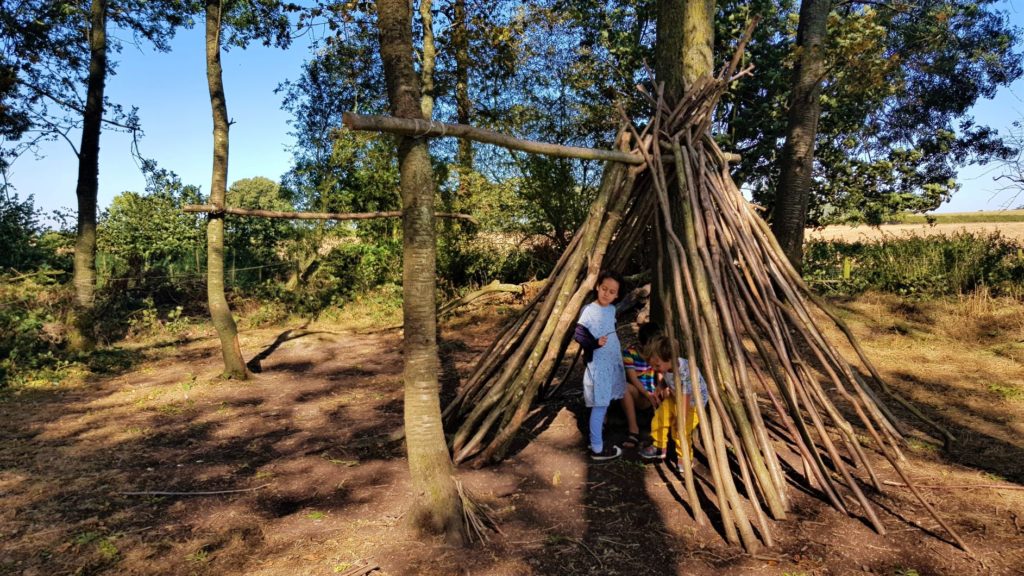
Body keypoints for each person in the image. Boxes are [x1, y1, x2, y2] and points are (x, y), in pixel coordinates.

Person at [574, 270, 627, 461]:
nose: (606, 294)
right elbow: (579, 333)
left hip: (611, 363)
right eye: (604, 289)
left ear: (617, 295)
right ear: (597, 287)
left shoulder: (611, 309)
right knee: (600, 405)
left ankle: (597, 435)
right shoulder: (589, 310)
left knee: (603, 403)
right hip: (599, 365)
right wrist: (594, 344)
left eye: (612, 292)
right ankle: (597, 448)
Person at [639, 334, 709, 463]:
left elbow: (686, 396)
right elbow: (666, 378)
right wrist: (660, 386)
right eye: (652, 366)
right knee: (660, 417)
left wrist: (681, 417)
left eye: (657, 366)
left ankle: (684, 457)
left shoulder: (685, 372)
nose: (654, 369)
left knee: (680, 430)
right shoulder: (666, 366)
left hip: (692, 404)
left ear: (670, 359)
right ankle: (659, 446)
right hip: (675, 397)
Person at [620, 322, 662, 448]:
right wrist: (647, 394)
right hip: (640, 395)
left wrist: (658, 390)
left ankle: (661, 433)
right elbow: (633, 379)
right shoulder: (629, 353)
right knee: (624, 387)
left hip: (654, 395)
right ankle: (634, 431)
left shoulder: (658, 352)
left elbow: (661, 373)